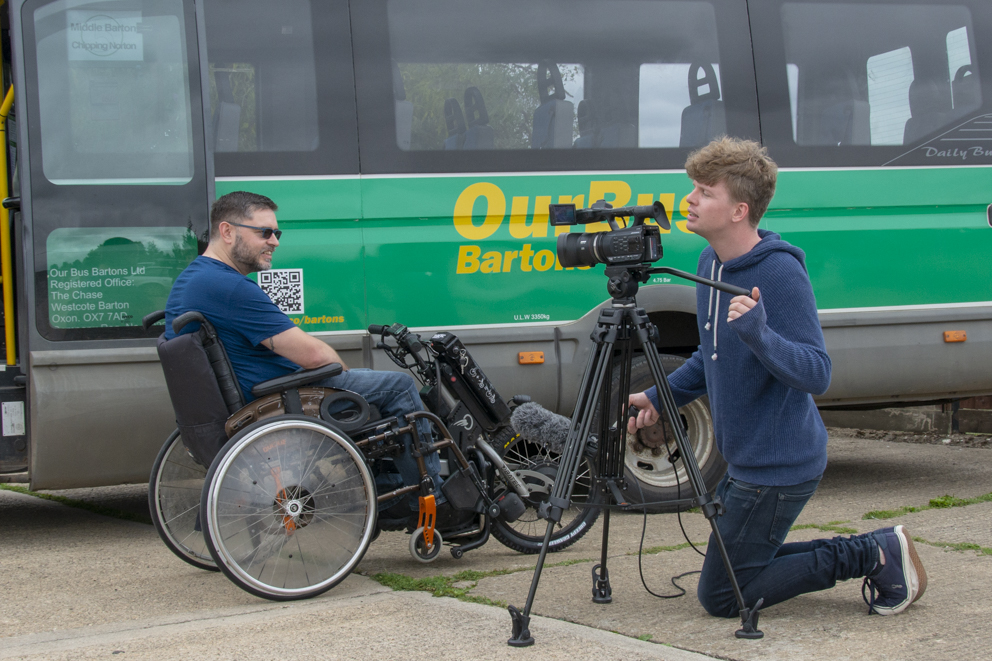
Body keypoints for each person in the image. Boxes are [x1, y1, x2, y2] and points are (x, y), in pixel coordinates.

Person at [627, 137, 927, 618]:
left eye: (705, 191)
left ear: (739, 210)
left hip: (779, 466)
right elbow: (712, 355)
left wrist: (760, 333)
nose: (690, 199)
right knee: (734, 567)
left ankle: (870, 554)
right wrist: (660, 397)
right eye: (693, 188)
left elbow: (816, 372)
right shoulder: (711, 263)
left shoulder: (779, 272)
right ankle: (879, 548)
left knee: (723, 596)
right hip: (744, 461)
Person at [165, 191, 445, 520]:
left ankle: (385, 485)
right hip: (278, 401)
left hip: (252, 399)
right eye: (265, 232)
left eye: (277, 233)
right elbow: (313, 355)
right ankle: (432, 502)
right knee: (396, 387)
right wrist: (340, 376)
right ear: (227, 232)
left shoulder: (192, 279)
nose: (275, 242)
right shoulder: (229, 287)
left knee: (367, 396)